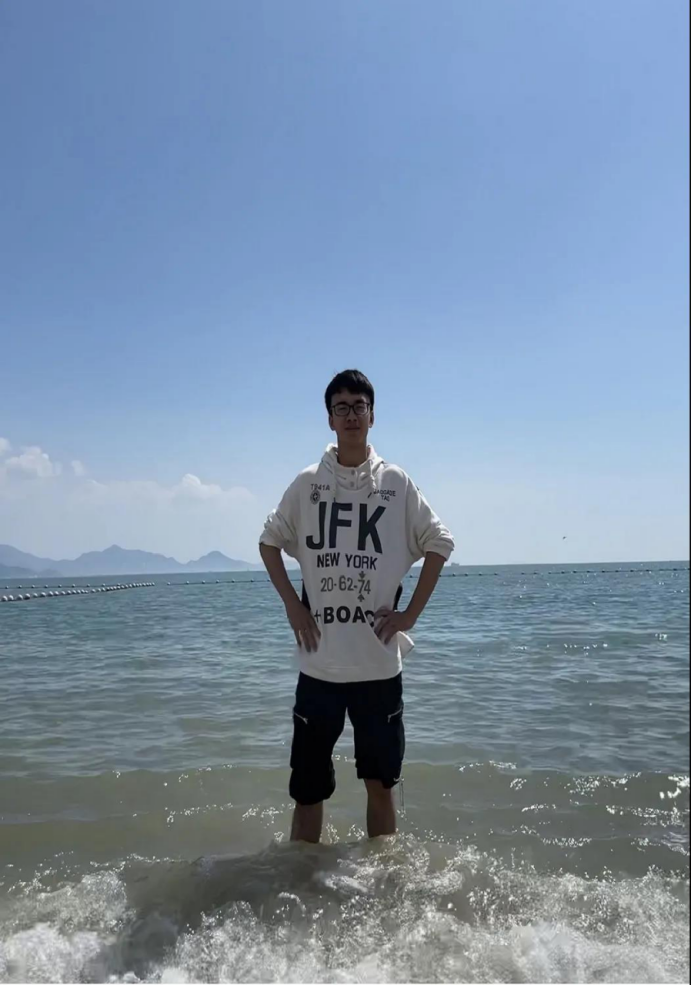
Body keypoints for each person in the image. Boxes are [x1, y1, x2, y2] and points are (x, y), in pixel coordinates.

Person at [259, 369, 454, 842]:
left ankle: (382, 880)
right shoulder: (308, 484)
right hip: (319, 666)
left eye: (359, 406)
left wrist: (409, 617)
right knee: (308, 791)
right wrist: (293, 607)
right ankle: (302, 881)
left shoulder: (395, 483)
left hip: (378, 667)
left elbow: (440, 543)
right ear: (329, 418)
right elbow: (269, 541)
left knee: (380, 785)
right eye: (341, 407)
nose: (351, 415)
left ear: (372, 416)